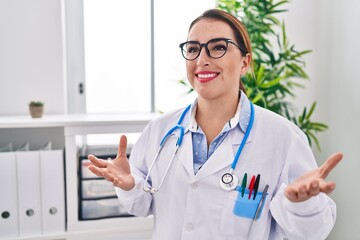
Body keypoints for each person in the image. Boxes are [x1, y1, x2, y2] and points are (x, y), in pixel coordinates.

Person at [87, 8, 343, 240]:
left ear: (245, 62)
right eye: (192, 48)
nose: (202, 59)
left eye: (218, 47)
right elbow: (142, 204)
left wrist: (301, 204)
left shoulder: (282, 137)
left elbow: (313, 233)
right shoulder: (160, 131)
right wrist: (130, 185)